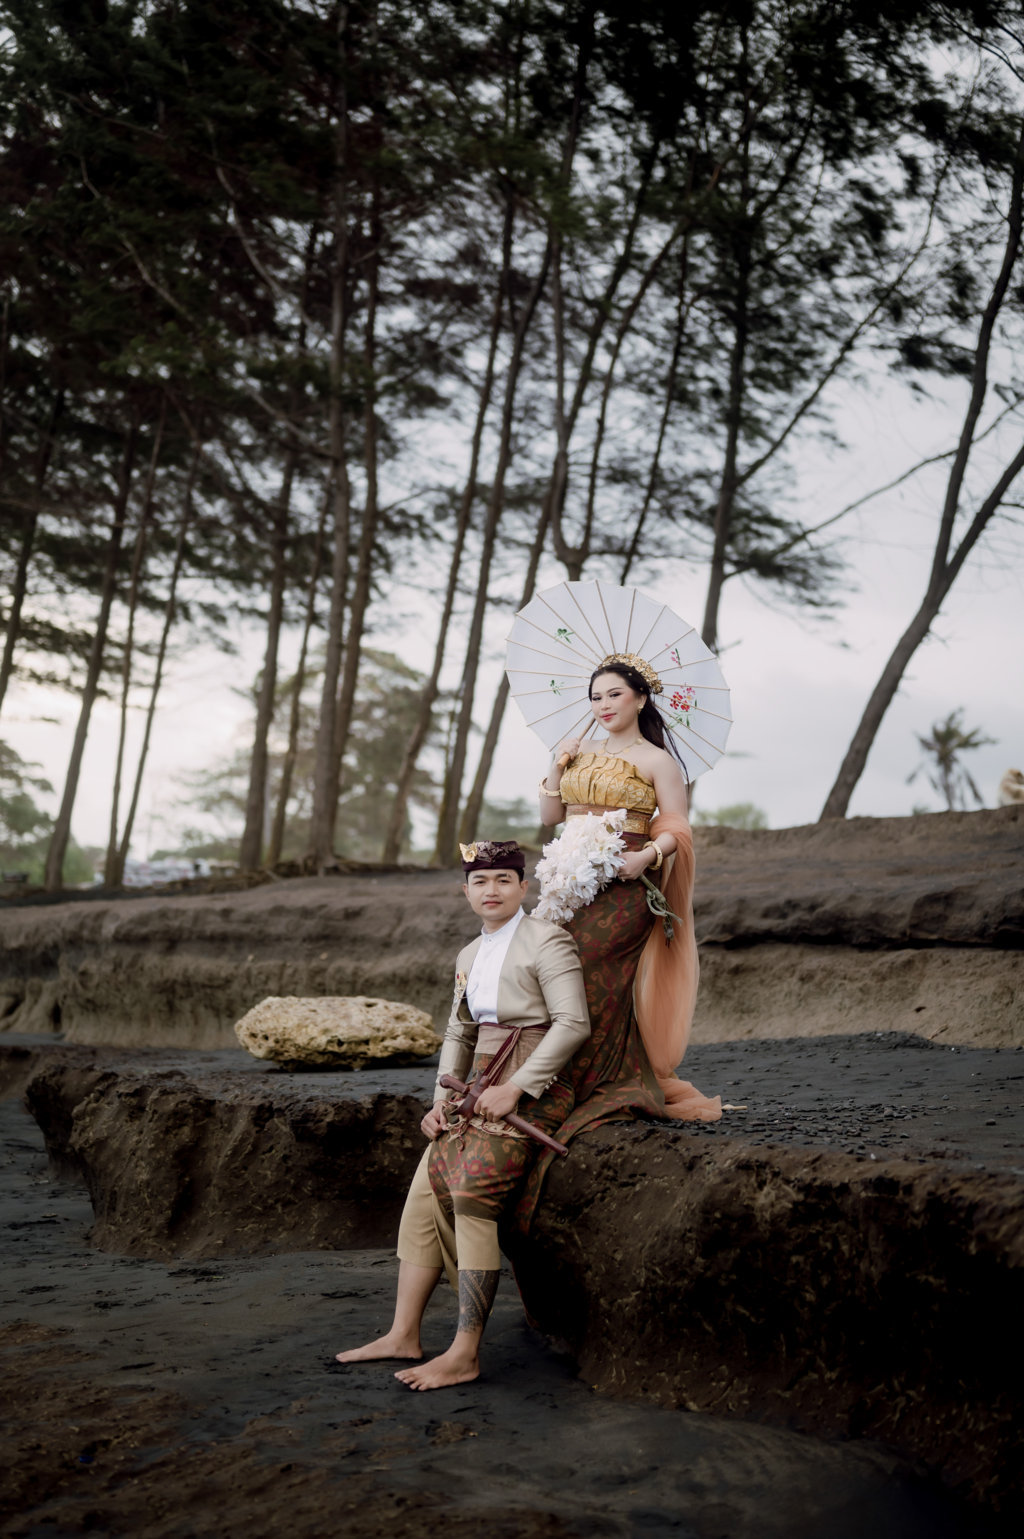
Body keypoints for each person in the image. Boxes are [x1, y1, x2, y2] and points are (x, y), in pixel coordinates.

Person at [335, 839, 590, 1391]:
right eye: (480, 881)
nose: (491, 890)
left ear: (523, 887)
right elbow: (459, 1032)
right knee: (423, 1192)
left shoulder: (548, 939)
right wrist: (439, 1101)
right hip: (475, 1084)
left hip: (537, 1085)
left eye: (503, 880)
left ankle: (465, 1352)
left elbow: (573, 1023)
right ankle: (403, 1333)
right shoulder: (469, 955)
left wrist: (517, 1088)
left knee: (471, 1192)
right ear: (466, 891)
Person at [514, 651, 721, 1228]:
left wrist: (646, 857)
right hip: (569, 883)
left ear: (640, 698)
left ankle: (598, 1083)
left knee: (595, 972)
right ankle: (551, 1076)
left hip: (625, 884)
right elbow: (551, 816)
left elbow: (676, 828)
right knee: (552, 969)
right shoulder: (579, 749)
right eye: (595, 697)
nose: (603, 705)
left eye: (614, 695)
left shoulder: (659, 761)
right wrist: (556, 764)